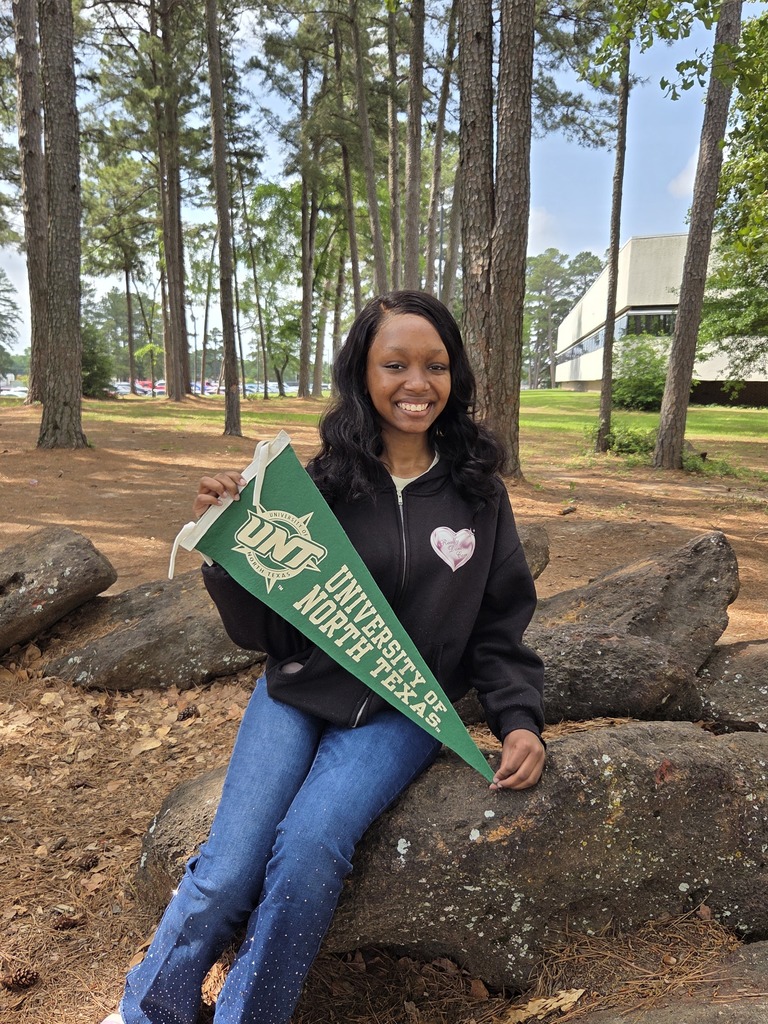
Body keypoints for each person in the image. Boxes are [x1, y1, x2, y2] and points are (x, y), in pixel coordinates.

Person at [102, 290, 546, 1024]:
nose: (416, 383)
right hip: (298, 692)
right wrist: (227, 543)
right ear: (363, 375)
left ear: (455, 375)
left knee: (308, 853)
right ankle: (150, 1009)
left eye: (434, 365)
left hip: (402, 710)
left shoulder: (479, 495)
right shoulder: (318, 487)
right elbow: (267, 631)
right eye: (394, 363)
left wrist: (521, 719)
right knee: (229, 865)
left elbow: (501, 626)